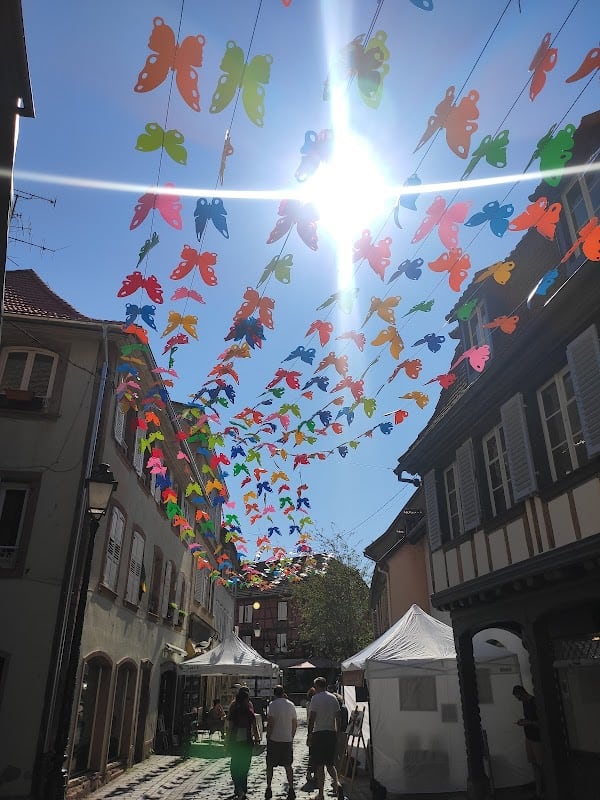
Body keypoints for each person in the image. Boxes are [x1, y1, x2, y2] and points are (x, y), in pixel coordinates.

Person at [307, 677, 344, 800]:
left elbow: (312, 718)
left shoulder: (315, 698)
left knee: (319, 765)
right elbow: (338, 717)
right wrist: (338, 732)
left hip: (319, 733)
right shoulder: (333, 698)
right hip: (331, 733)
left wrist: (309, 733)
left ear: (317, 686)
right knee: (330, 763)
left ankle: (321, 794)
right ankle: (337, 783)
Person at [227, 686, 261, 800]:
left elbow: (230, 727)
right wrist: (257, 740)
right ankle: (242, 787)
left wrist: (226, 742)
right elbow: (254, 726)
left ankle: (238, 787)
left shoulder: (233, 707)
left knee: (235, 765)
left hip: (236, 741)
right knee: (245, 765)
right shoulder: (249, 707)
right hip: (246, 741)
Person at [265, 684, 298, 800]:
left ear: (275, 694)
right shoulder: (291, 705)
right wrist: (291, 735)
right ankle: (291, 788)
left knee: (270, 765)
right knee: (288, 765)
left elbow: (271, 722)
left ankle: (268, 787)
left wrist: (268, 736)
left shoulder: (273, 705)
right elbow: (294, 722)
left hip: (275, 739)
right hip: (287, 739)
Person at [512, 685, 543, 799]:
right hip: (529, 737)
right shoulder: (525, 703)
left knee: (541, 765)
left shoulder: (534, 702)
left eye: (518, 697)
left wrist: (528, 722)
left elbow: (541, 722)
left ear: (522, 693)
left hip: (537, 739)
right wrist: (524, 722)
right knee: (535, 766)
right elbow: (530, 720)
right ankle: (539, 792)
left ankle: (547, 789)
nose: (518, 700)